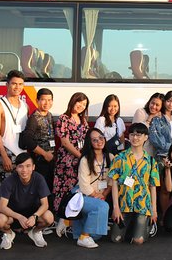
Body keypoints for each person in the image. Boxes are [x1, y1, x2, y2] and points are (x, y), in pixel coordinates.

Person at [110, 123, 160, 244]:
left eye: (139, 135)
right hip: (124, 205)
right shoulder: (119, 158)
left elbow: (153, 186)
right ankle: (131, 226)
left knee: (138, 241)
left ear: (146, 137)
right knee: (115, 239)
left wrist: (154, 210)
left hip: (143, 205)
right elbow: (114, 184)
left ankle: (145, 227)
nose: (135, 138)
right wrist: (116, 208)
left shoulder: (151, 161)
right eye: (132, 134)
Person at [0, 152, 54, 250]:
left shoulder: (39, 178)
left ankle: (35, 232)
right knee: (0, 220)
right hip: (13, 216)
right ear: (16, 168)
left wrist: (35, 216)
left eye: (28, 166)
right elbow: (2, 207)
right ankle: (8, 234)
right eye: (20, 166)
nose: (24, 170)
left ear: (33, 167)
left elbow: (45, 204)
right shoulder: (9, 181)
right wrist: (19, 217)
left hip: (32, 214)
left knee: (49, 217)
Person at [52, 92, 89, 235]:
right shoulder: (64, 118)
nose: (81, 106)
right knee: (64, 190)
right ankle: (61, 220)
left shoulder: (83, 120)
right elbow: (65, 142)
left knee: (76, 190)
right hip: (66, 161)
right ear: (73, 101)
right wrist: (80, 156)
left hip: (80, 162)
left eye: (84, 104)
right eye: (79, 102)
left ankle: (71, 221)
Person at [0, 70, 28, 214]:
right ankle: (1, 228)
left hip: (21, 155)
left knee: (19, 193)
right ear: (7, 84)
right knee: (2, 193)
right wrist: (4, 156)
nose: (17, 87)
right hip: (4, 153)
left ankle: (16, 226)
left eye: (20, 84)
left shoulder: (25, 106)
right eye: (14, 83)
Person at [73, 129, 112, 248]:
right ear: (89, 143)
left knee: (96, 236)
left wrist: (104, 195)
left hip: (101, 196)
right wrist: (97, 196)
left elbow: (111, 181)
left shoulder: (110, 157)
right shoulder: (85, 159)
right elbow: (84, 185)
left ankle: (68, 223)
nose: (99, 141)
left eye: (101, 137)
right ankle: (83, 237)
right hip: (83, 196)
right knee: (102, 206)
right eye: (94, 140)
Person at [19, 88, 56, 196]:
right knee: (41, 190)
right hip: (40, 161)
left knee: (49, 188)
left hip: (50, 159)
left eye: (49, 100)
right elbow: (28, 140)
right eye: (43, 100)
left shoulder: (49, 115)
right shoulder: (34, 118)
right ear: (37, 101)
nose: (47, 103)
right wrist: (44, 154)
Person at [132, 92, 164, 156]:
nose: (154, 106)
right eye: (152, 103)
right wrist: (150, 118)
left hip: (155, 153)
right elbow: (138, 132)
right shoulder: (140, 112)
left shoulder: (161, 117)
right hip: (141, 152)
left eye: (157, 105)